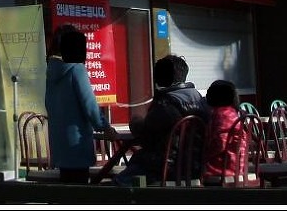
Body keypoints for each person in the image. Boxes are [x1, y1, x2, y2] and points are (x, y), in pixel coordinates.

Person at [113, 54, 209, 186]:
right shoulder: (200, 100)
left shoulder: (165, 104)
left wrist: (135, 123)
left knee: (119, 183)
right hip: (196, 166)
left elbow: (146, 136)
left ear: (159, 78)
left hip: (165, 167)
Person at [44, 28, 118, 184]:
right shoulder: (76, 69)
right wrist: (105, 127)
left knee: (68, 190)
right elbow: (89, 105)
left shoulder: (51, 70)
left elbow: (48, 104)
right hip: (77, 144)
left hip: (59, 144)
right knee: (80, 190)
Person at [201, 79, 246, 184]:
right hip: (237, 166)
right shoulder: (233, 113)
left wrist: (205, 154)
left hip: (224, 168)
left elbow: (221, 143)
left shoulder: (222, 115)